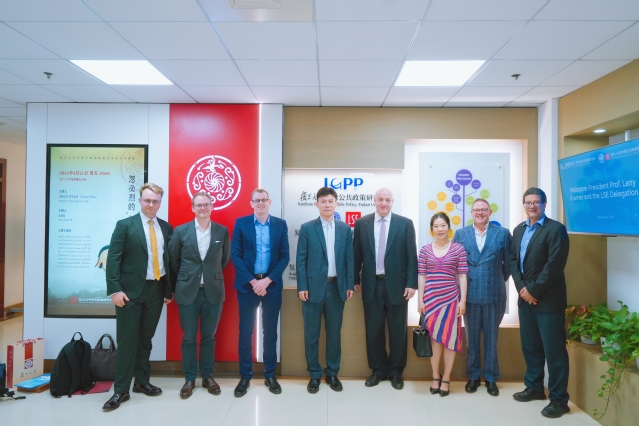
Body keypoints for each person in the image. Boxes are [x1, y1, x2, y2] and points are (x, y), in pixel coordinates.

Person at [103, 183, 174, 410]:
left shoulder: (166, 227)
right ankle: (121, 390)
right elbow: (113, 259)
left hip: (156, 290)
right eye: (147, 200)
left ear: (160, 203)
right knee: (127, 342)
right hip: (128, 292)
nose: (151, 204)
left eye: (155, 201)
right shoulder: (125, 225)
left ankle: (141, 382)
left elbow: (169, 261)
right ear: (140, 201)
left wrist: (168, 290)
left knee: (145, 340)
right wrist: (115, 289)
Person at [510, 187, 570, 418]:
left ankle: (559, 399)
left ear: (544, 204)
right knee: (531, 347)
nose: (532, 206)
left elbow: (554, 265)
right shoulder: (519, 229)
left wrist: (532, 290)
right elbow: (513, 262)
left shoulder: (556, 229)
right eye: (528, 202)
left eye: (536, 202)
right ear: (524, 205)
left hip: (548, 301)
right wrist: (522, 290)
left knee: (554, 352)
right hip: (525, 300)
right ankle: (535, 388)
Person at [353, 187, 418, 390]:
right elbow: (356, 254)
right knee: (374, 331)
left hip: (398, 287)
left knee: (398, 331)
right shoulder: (362, 223)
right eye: (380, 199)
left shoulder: (405, 224)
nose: (384, 203)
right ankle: (378, 370)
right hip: (371, 285)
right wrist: (354, 279)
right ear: (374, 200)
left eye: (387, 200)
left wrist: (411, 283)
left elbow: (411, 256)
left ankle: (396, 371)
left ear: (392, 202)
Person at [169, 191, 230, 398]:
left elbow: (224, 259)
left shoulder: (222, 231)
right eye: (199, 205)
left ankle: (207, 376)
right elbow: (173, 260)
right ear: (193, 208)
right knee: (188, 337)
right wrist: (187, 277)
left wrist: (210, 275)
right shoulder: (181, 231)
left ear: (212, 207)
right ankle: (189, 378)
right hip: (188, 291)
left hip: (213, 291)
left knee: (209, 337)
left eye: (206, 204)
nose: (203, 208)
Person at [231, 188, 290, 397]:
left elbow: (284, 257)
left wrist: (266, 280)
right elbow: (235, 255)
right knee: (246, 332)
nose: (261, 203)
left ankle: (270, 375)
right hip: (248, 285)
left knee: (270, 332)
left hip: (271, 285)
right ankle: (245, 376)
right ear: (251, 203)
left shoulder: (280, 225)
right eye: (257, 200)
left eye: (264, 200)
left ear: (269, 202)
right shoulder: (241, 223)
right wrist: (253, 281)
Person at [297, 187, 354, 394]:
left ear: (336, 203)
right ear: (317, 204)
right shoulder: (307, 228)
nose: (327, 205)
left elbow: (349, 259)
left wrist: (349, 284)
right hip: (312, 290)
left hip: (337, 288)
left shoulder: (345, 229)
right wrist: (302, 286)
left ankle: (332, 373)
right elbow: (301, 260)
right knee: (311, 335)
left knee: (334, 334)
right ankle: (314, 374)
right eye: (323, 201)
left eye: (331, 201)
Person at [452, 198, 512, 396]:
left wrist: (495, 279)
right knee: (472, 339)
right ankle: (473, 377)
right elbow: (456, 265)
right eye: (476, 210)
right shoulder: (461, 234)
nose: (480, 213)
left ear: (490, 212)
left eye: (484, 210)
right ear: (471, 213)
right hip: (469, 295)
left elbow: (508, 265)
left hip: (494, 293)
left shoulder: (502, 233)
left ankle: (491, 378)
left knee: (491, 339)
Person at [418, 212, 468, 397]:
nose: (440, 229)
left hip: (451, 301)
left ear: (449, 227)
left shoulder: (458, 249)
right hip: (431, 301)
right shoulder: (425, 250)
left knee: (450, 340)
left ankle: (446, 377)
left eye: (443, 225)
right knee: (434, 340)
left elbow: (462, 276)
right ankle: (435, 376)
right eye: (436, 226)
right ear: (432, 229)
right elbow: (422, 276)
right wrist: (420, 300)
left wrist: (462, 300)